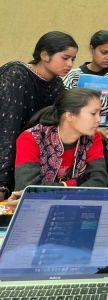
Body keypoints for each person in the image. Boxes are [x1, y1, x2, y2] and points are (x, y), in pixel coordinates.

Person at [0, 31, 78, 200]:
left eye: (73, 59)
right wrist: (2, 182)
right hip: (5, 156)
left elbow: (64, 120)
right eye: (65, 58)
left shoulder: (56, 84)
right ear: (44, 55)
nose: (70, 64)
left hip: (26, 161)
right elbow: (7, 130)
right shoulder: (16, 74)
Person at [14, 89, 107, 191]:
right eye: (93, 113)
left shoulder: (93, 137)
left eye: (100, 113)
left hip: (77, 204)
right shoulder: (30, 138)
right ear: (70, 116)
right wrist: (75, 183)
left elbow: (99, 182)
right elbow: (27, 189)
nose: (99, 119)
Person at [63, 30, 108, 127]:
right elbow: (66, 104)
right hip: (78, 130)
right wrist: (105, 100)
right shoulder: (73, 75)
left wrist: (82, 104)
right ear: (92, 49)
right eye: (104, 52)